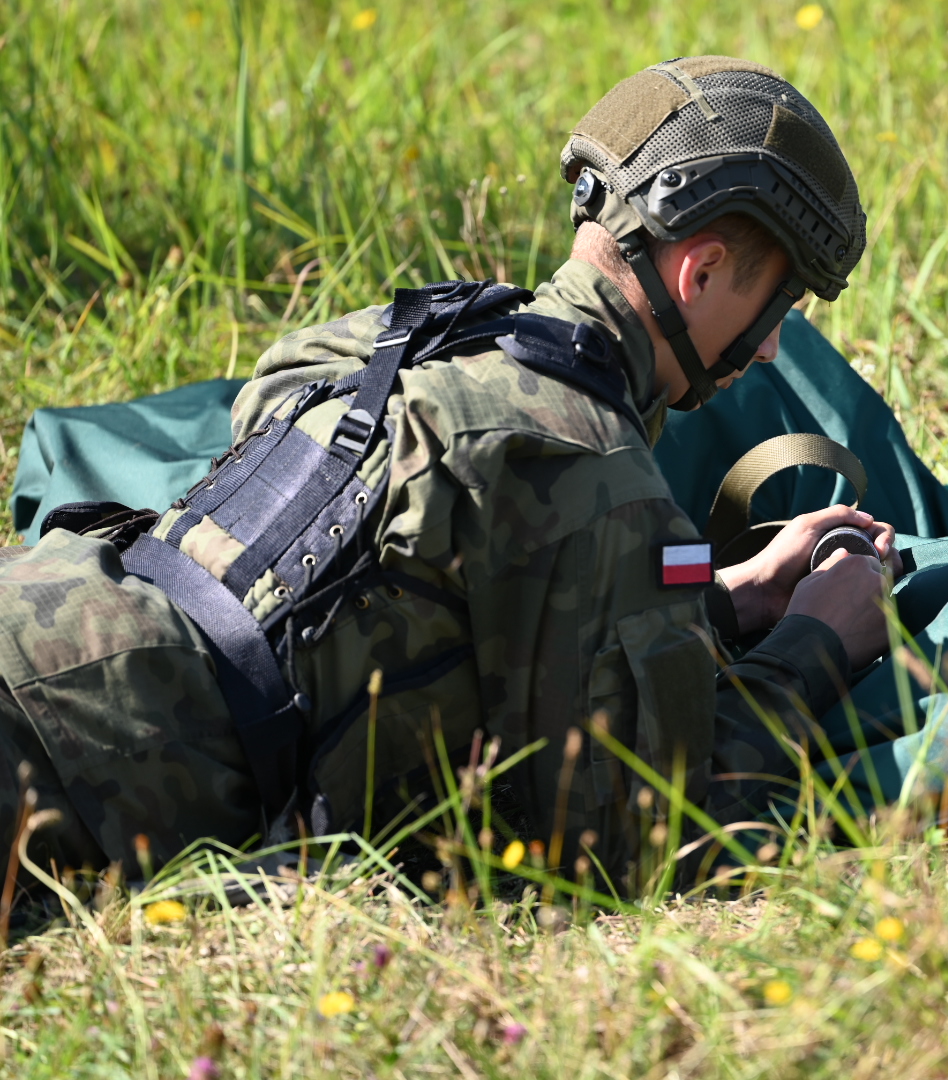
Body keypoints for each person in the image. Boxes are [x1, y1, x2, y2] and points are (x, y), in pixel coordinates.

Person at [0, 56, 892, 889]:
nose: (772, 346)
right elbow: (641, 843)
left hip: (46, 605)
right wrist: (814, 642)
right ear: (697, 273)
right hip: (76, 761)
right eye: (775, 307)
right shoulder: (585, 462)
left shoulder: (404, 336)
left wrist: (720, 601)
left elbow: (419, 587)